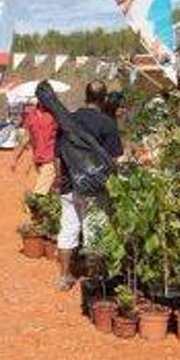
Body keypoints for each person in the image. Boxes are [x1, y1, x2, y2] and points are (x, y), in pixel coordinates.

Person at [51, 80, 123, 291]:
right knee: (95, 231)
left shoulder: (68, 120)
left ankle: (64, 277)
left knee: (68, 228)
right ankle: (93, 282)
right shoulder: (107, 123)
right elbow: (114, 158)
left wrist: (59, 178)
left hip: (69, 183)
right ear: (103, 99)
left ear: (86, 96)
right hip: (95, 186)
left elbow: (57, 155)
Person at [12, 99, 58, 195]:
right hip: (38, 159)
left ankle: (32, 207)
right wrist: (16, 158)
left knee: (39, 193)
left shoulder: (55, 114)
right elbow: (26, 138)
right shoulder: (31, 116)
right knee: (50, 190)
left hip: (51, 160)